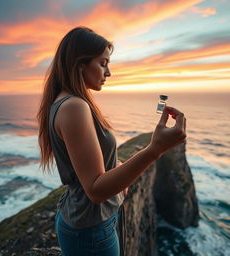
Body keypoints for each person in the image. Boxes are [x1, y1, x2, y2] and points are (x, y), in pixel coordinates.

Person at [37, 26, 186, 256]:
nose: (109, 73)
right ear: (80, 64)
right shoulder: (75, 107)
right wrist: (155, 149)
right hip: (91, 232)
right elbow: (95, 190)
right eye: (103, 63)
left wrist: (118, 176)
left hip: (85, 224)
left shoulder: (66, 102)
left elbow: (88, 169)